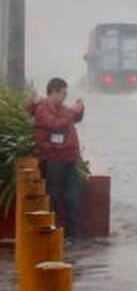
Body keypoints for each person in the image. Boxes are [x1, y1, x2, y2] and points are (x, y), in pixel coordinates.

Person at [28, 78, 85, 237]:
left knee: (73, 197)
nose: (65, 98)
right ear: (53, 92)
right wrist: (72, 112)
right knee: (56, 197)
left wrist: (79, 110)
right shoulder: (43, 109)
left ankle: (74, 234)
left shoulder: (62, 109)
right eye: (63, 94)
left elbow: (74, 118)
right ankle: (55, 233)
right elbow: (55, 124)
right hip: (54, 159)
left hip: (69, 158)